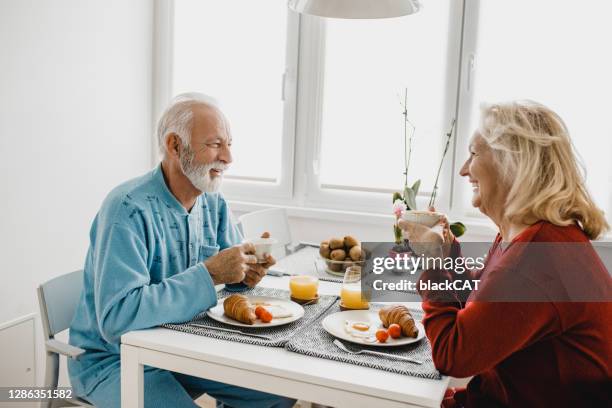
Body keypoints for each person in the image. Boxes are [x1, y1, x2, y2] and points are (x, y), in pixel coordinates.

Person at [68, 93, 295, 408]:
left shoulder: (212, 200)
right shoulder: (126, 209)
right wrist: (210, 273)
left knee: (279, 393)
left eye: (229, 144)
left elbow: (227, 278)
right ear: (175, 145)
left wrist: (245, 273)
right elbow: (117, 318)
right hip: (115, 359)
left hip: (184, 347)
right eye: (215, 144)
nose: (228, 158)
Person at [400, 101, 612, 407]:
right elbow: (485, 303)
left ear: (510, 163)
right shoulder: (535, 238)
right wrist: (447, 255)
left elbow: (452, 355)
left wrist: (433, 264)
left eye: (473, 154)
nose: (463, 170)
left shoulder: (537, 259)